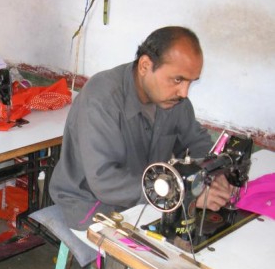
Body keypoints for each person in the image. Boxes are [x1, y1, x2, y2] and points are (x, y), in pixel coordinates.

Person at [49, 26, 233, 231]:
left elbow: (196, 142)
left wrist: (215, 174)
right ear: (145, 66)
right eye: (178, 79)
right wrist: (183, 193)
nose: (184, 92)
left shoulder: (174, 101)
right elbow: (105, 181)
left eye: (190, 82)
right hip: (91, 201)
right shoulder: (101, 98)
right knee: (152, 255)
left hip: (151, 194)